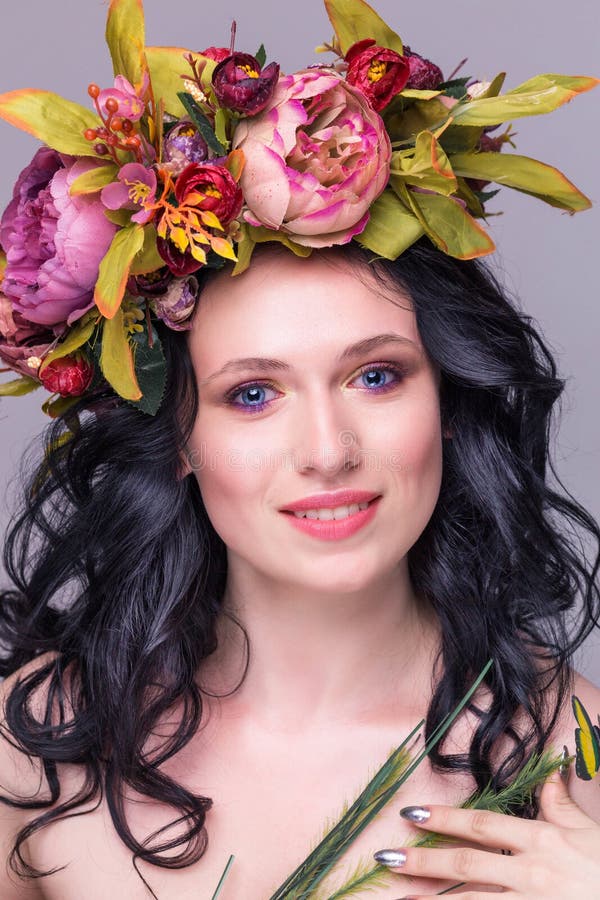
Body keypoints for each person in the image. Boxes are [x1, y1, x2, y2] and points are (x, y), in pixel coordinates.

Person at [0, 1, 599, 898]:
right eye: (252, 394)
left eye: (378, 377)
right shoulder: (34, 753)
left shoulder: (577, 756)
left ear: (448, 399)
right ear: (176, 442)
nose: (327, 452)